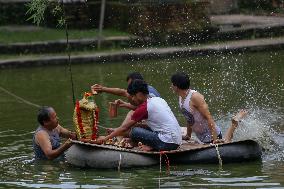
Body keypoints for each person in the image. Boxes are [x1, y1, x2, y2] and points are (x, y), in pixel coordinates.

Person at [97, 79, 182, 151]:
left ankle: (152, 145)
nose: (133, 99)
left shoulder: (145, 107)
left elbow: (124, 128)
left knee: (135, 131)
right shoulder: (158, 99)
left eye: (133, 96)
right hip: (177, 140)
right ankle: (149, 144)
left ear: (139, 94)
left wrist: (105, 139)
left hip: (167, 143)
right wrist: (116, 130)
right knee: (140, 126)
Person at [171, 72, 247, 144]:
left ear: (176, 87)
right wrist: (188, 135)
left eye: (172, 84)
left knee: (227, 141)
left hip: (211, 136)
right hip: (201, 136)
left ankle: (234, 123)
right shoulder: (181, 97)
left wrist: (215, 139)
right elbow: (189, 117)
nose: (171, 86)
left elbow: (208, 117)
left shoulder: (195, 97)